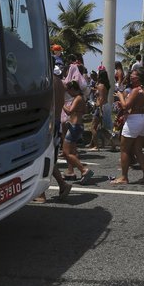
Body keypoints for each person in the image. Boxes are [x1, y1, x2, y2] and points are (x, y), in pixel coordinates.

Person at [33, 63, 72, 203]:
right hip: (55, 121)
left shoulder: (47, 80)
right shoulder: (61, 83)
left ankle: (41, 193)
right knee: (49, 157)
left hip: (46, 122)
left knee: (40, 156)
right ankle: (61, 185)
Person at [111, 69, 144, 185]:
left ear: (138, 78)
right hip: (142, 120)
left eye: (133, 75)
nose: (130, 77)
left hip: (134, 121)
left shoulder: (135, 90)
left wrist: (120, 96)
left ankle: (124, 177)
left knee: (124, 149)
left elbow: (125, 105)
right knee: (138, 149)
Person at [61, 81, 93, 184]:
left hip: (74, 127)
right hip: (77, 126)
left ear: (73, 89)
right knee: (73, 152)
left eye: (69, 91)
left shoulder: (78, 98)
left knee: (66, 153)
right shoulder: (81, 98)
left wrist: (62, 103)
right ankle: (71, 172)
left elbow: (69, 111)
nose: (68, 93)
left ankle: (83, 170)